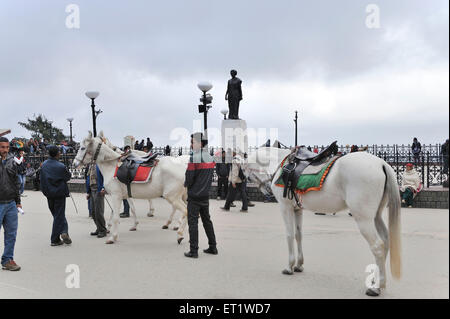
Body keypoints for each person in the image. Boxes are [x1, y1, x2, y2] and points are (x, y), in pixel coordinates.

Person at [184, 132, 217, 258]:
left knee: (193, 223)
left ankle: (193, 251)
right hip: (205, 195)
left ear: (200, 143)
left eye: (193, 142)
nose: (191, 144)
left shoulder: (194, 158)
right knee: (207, 221)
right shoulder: (210, 157)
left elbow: (189, 178)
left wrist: (186, 184)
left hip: (194, 195)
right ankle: (213, 246)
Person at [40, 146, 72, 246]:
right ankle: (55, 238)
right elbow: (68, 177)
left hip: (49, 193)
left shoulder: (44, 165)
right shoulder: (61, 166)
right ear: (58, 154)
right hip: (59, 193)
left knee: (57, 215)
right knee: (59, 215)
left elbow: (42, 179)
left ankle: (63, 232)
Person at [0, 137, 22, 271]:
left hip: (11, 204)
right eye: (2, 147)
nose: (5, 150)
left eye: (7, 147)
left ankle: (8, 259)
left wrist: (18, 202)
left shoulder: (11, 162)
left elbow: (16, 183)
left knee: (11, 234)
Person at [86, 162, 107, 238]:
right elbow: (88, 178)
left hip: (98, 190)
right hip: (91, 191)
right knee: (93, 212)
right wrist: (88, 192)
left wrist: (104, 188)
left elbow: (106, 177)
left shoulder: (101, 165)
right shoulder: (90, 165)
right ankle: (99, 228)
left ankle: (103, 230)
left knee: (99, 211)